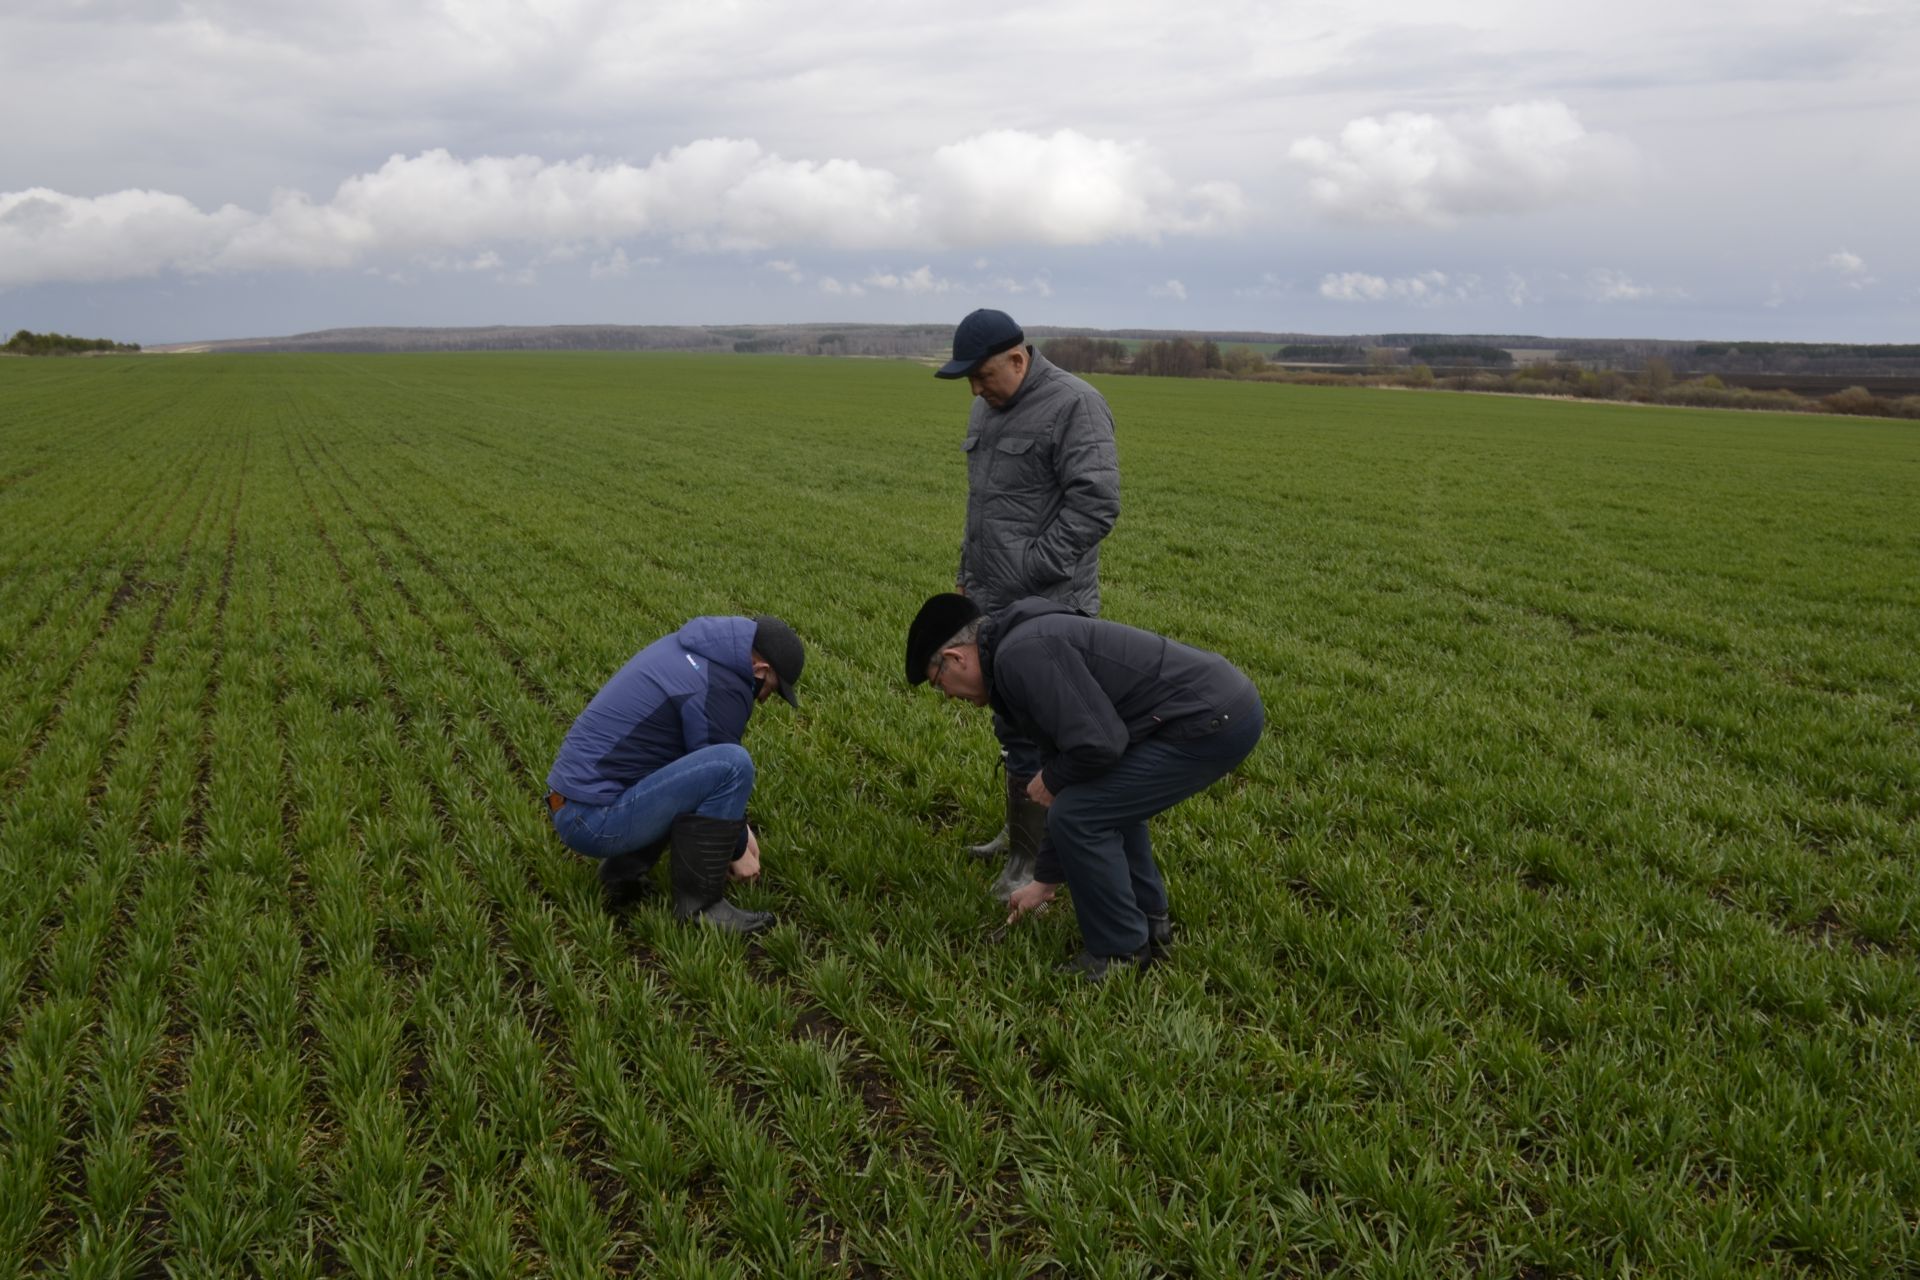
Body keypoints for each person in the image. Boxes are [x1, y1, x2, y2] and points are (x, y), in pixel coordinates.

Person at [907, 592, 1263, 981]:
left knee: (1081, 814)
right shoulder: (1015, 653)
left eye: (939, 684)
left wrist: (1054, 779)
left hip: (1210, 719)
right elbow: (1074, 756)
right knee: (1105, 803)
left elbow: (1099, 745)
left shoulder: (1020, 657)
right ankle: (1149, 922)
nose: (949, 696)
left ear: (956, 658)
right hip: (1215, 703)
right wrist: (1044, 880)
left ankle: (1120, 952)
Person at [934, 308, 1120, 902]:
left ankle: (1040, 859)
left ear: (1018, 359)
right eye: (969, 380)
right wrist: (968, 577)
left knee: (1051, 734)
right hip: (991, 599)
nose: (975, 389)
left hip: (1049, 606)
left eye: (983, 375)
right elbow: (981, 506)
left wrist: (1031, 571)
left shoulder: (1075, 404)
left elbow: (1095, 506)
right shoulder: (984, 409)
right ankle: (1020, 838)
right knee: (1012, 729)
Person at [546, 614, 804, 934]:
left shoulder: (696, 650)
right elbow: (719, 768)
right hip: (592, 820)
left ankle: (620, 874)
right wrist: (738, 851)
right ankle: (702, 907)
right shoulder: (721, 684)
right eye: (771, 690)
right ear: (760, 670)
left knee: (683, 764)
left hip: (569, 804)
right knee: (734, 763)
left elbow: (693, 767)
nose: (764, 700)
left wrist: (741, 829)